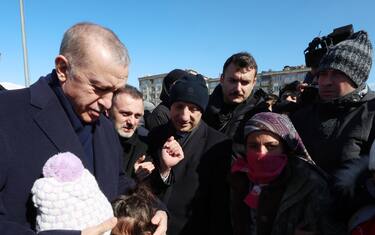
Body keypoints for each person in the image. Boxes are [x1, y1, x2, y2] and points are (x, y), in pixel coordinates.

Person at [0, 22, 167, 235]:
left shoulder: (104, 127)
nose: (108, 103)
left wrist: (155, 209)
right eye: (99, 88)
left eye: (114, 92)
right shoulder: (6, 113)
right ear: (63, 69)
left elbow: (117, 180)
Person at [291, 30, 375, 223]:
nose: (326, 82)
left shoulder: (371, 114)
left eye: (337, 74)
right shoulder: (301, 117)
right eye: (322, 74)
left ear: (357, 77)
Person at [231, 112, 346, 235]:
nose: (261, 154)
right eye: (253, 146)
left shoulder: (309, 183)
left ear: (285, 148)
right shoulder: (239, 176)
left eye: (271, 146)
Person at [147, 74, 232, 235]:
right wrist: (162, 171)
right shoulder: (156, 136)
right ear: (170, 106)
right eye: (179, 106)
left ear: (202, 110)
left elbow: (219, 204)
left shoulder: (219, 145)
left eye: (193, 109)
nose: (184, 116)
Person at [203, 52, 268, 157]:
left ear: (254, 82)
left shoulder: (262, 116)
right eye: (233, 80)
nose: (238, 88)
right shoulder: (201, 109)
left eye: (245, 82)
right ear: (222, 79)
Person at [110, 85, 155, 181]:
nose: (132, 122)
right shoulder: (92, 140)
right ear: (108, 111)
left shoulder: (144, 146)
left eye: (137, 116)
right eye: (125, 114)